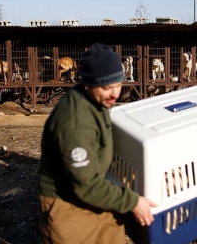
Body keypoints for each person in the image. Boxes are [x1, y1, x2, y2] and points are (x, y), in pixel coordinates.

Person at [38, 43, 157, 244]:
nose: (115, 94)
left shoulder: (98, 101)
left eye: (118, 85)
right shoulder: (75, 122)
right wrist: (133, 201)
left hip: (98, 194)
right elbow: (86, 185)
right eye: (106, 87)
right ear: (88, 84)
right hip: (68, 205)